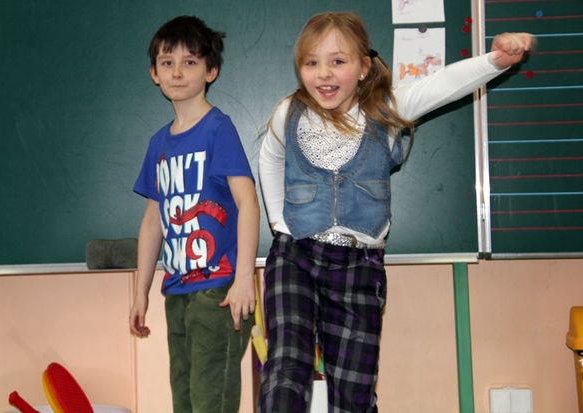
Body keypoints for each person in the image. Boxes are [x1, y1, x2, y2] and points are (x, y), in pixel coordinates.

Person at [257, 11, 535, 413]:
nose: (324, 74)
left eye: (338, 61)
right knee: (286, 364)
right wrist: (279, 224)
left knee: (354, 389)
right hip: (296, 256)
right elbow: (270, 156)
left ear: (363, 67)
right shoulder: (290, 110)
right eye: (311, 62)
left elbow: (443, 85)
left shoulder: (385, 109)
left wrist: (495, 61)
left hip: (358, 266)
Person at [129, 15, 259, 413]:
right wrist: (140, 292)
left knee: (210, 403)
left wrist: (244, 280)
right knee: (184, 402)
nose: (177, 72)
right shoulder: (158, 143)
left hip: (219, 291)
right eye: (167, 63)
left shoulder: (218, 129)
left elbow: (248, 203)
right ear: (154, 74)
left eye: (190, 62)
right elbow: (153, 221)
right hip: (178, 292)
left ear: (210, 70)